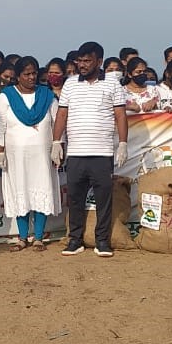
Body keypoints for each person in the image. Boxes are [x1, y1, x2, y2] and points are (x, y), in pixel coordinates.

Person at [52, 41, 128, 257]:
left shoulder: (113, 84)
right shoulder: (70, 84)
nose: (82, 65)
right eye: (80, 61)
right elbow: (62, 114)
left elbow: (120, 115)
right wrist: (56, 141)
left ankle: (102, 241)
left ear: (99, 61)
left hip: (102, 152)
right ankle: (75, 240)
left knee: (104, 199)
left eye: (87, 61)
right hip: (76, 152)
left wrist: (122, 143)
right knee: (75, 198)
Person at [0, 56, 62, 249]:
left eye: (34, 73)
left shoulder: (47, 96)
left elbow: (58, 123)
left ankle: (38, 237)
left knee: (42, 190)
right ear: (18, 76)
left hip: (42, 155)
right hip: (16, 156)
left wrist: (58, 145)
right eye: (27, 74)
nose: (31, 77)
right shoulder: (6, 97)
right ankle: (22, 238)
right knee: (20, 191)